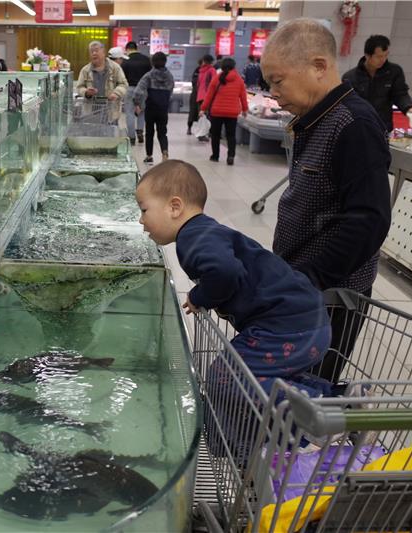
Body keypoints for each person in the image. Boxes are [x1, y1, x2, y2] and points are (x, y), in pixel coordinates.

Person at [136, 160, 331, 458]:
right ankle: (341, 401)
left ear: (175, 207)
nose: (141, 220)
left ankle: (317, 419)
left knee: (227, 377)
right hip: (303, 318)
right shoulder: (206, 231)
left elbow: (225, 272)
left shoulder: (192, 238)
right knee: (264, 375)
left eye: (144, 209)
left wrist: (201, 296)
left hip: (287, 324)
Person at [262, 18, 392, 384]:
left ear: (319, 66)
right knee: (278, 390)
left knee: (305, 393)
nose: (272, 91)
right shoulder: (314, 118)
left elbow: (370, 219)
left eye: (278, 80)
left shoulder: (354, 125)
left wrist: (310, 277)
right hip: (302, 284)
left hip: (331, 296)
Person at [341, 34, 412, 132]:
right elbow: (346, 104)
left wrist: (408, 108)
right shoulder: (350, 77)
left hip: (383, 127)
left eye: (386, 55)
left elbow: (400, 94)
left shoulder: (394, 72)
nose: (383, 60)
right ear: (367, 55)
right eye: (379, 56)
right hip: (358, 128)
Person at [200, 57, 248, 165]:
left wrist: (203, 108)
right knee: (231, 136)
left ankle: (215, 156)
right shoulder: (239, 80)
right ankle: (230, 156)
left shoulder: (217, 78)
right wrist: (245, 110)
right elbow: (243, 97)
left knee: (215, 135)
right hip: (232, 113)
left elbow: (209, 95)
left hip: (217, 111)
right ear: (234, 66)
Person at [133, 52, 174, 164]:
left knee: (150, 132)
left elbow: (138, 91)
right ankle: (164, 152)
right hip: (163, 108)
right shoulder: (169, 76)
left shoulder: (149, 76)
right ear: (165, 62)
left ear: (152, 62)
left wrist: (137, 104)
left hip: (151, 107)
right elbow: (171, 92)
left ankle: (149, 156)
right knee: (162, 132)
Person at [76, 41, 129, 125]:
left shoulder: (115, 68)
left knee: (110, 135)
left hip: (111, 111)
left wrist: (116, 93)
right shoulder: (85, 70)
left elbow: (123, 84)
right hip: (91, 112)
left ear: (103, 52)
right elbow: (79, 87)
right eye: (91, 51)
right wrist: (86, 92)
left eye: (96, 50)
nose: (94, 53)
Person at [122, 41, 152, 145]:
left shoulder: (125, 61)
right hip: (143, 89)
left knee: (129, 113)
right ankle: (140, 131)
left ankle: (131, 137)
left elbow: (122, 77)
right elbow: (150, 76)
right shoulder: (146, 60)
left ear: (127, 49)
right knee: (142, 111)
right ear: (136, 48)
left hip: (129, 88)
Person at [195, 54, 216, 142]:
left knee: (202, 116)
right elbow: (214, 82)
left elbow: (198, 84)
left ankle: (201, 133)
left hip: (200, 95)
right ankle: (204, 134)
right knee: (208, 116)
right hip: (208, 95)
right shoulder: (211, 70)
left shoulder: (201, 70)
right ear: (212, 61)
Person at [186, 59, 202, 136]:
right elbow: (194, 82)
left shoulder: (200, 70)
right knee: (193, 112)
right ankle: (189, 128)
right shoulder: (198, 70)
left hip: (198, 94)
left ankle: (200, 131)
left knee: (197, 113)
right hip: (196, 94)